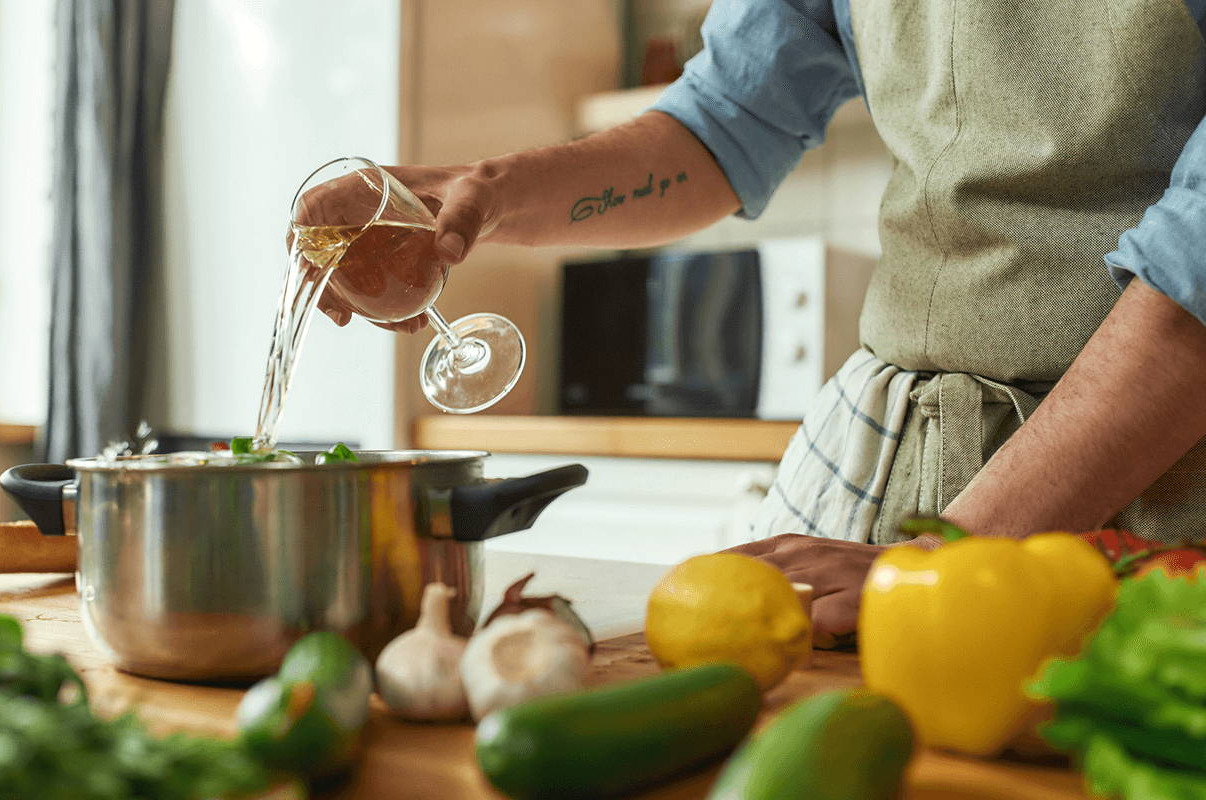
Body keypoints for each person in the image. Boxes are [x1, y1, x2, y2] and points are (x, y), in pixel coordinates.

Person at [320, 0, 1206, 640]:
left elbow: (1194, 277)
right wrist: (487, 195)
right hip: (912, 487)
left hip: (1147, 495)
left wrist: (949, 561)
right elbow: (722, 122)